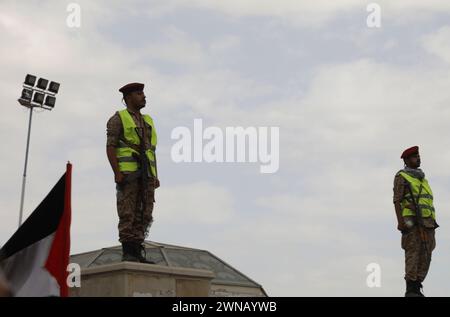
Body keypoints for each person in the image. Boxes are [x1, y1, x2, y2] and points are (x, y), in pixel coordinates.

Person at [106, 82, 159, 263]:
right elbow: (110, 147)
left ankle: (137, 250)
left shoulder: (148, 121)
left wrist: (155, 175)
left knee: (145, 213)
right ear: (128, 98)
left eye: (143, 93)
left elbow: (151, 149)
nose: (143, 96)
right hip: (128, 174)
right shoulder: (118, 118)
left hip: (147, 175)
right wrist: (117, 172)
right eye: (139, 93)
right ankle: (128, 251)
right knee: (127, 212)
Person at [393, 146, 438, 297]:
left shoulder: (422, 178)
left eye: (418, 156)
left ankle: (417, 286)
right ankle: (411, 289)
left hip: (428, 224)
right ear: (406, 160)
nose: (418, 158)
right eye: (414, 156)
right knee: (413, 253)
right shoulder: (402, 177)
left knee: (426, 254)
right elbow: (397, 200)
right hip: (412, 221)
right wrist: (400, 222)